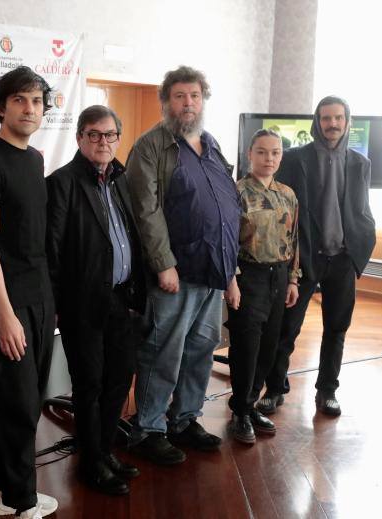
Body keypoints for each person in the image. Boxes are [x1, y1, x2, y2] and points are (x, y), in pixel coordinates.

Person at [125, 65, 241, 464]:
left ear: (203, 100)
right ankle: (148, 428)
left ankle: (184, 419)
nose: (188, 103)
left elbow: (227, 206)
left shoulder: (211, 143)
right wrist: (163, 264)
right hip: (176, 272)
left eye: (194, 95)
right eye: (179, 96)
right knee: (164, 352)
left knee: (202, 349)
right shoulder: (151, 146)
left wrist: (231, 272)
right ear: (166, 102)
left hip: (212, 270)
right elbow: (146, 210)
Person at [0, 66, 58, 519]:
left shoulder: (34, 159)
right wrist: (4, 314)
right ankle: (23, 503)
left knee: (29, 403)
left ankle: (3, 492)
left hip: (39, 297)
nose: (29, 108)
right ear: (1, 107)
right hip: (7, 302)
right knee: (15, 407)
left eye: (37, 101)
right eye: (19, 99)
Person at [46, 105, 145, 495]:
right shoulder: (62, 183)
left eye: (109, 134)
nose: (103, 141)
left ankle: (105, 451)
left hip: (122, 300)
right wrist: (56, 305)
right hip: (82, 305)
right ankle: (91, 463)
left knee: (119, 380)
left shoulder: (122, 180)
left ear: (118, 138)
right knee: (89, 386)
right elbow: (52, 250)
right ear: (80, 138)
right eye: (94, 134)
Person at [257, 96, 376, 417]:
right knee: (286, 328)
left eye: (338, 118)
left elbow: (361, 210)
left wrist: (360, 249)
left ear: (347, 122)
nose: (332, 124)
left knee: (337, 328)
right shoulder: (296, 159)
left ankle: (327, 391)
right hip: (304, 259)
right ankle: (274, 389)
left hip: (342, 259)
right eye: (326, 118)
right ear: (317, 122)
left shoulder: (361, 164)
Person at [224, 129, 300, 444]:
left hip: (279, 277)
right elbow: (226, 240)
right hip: (248, 277)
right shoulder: (236, 191)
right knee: (247, 347)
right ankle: (240, 411)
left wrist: (293, 279)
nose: (269, 158)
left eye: (275, 152)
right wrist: (231, 280)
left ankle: (252, 403)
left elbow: (294, 239)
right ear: (250, 154)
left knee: (269, 346)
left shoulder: (288, 194)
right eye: (262, 152)